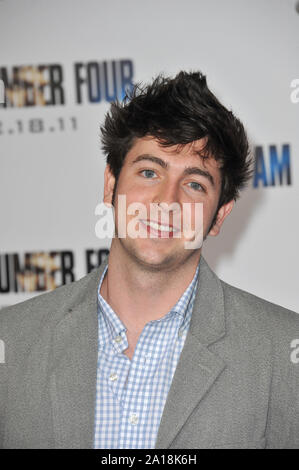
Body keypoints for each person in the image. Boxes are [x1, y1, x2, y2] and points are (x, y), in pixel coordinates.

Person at [0, 71, 298, 449]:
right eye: (148, 171)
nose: (166, 201)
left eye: (194, 184)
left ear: (220, 216)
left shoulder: (284, 356)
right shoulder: (11, 343)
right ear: (111, 184)